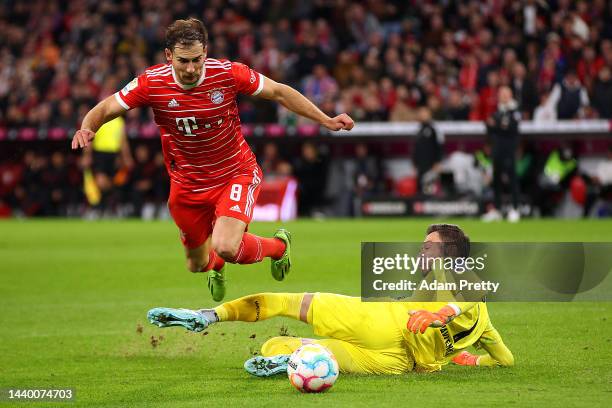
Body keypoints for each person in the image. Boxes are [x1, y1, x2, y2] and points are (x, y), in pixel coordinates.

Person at [71, 18, 354, 301]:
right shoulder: (152, 82)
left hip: (235, 172)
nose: (192, 68)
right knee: (196, 264)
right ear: (169, 56)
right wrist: (88, 126)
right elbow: (108, 106)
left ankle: (278, 247)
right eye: (183, 61)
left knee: (227, 246)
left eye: (197, 59)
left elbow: (279, 91)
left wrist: (325, 119)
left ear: (206, 52)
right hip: (187, 185)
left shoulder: (229, 73)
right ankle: (215, 266)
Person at [147, 224, 514, 376]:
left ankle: (210, 315)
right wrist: (470, 358)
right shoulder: (486, 327)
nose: (423, 248)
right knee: (283, 348)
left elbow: (470, 291)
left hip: (381, 320)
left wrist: (442, 314)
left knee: (288, 303)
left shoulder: (453, 273)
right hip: (393, 363)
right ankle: (292, 362)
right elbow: (506, 360)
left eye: (430, 244)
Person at [482, 86, 521, 222]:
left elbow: (510, 128)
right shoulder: (498, 111)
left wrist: (496, 124)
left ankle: (515, 209)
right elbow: (489, 126)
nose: (502, 96)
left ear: (510, 95)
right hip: (497, 149)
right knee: (496, 180)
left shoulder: (514, 111)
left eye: (505, 94)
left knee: (512, 179)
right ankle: (497, 210)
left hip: (509, 149)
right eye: (501, 94)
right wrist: (499, 125)